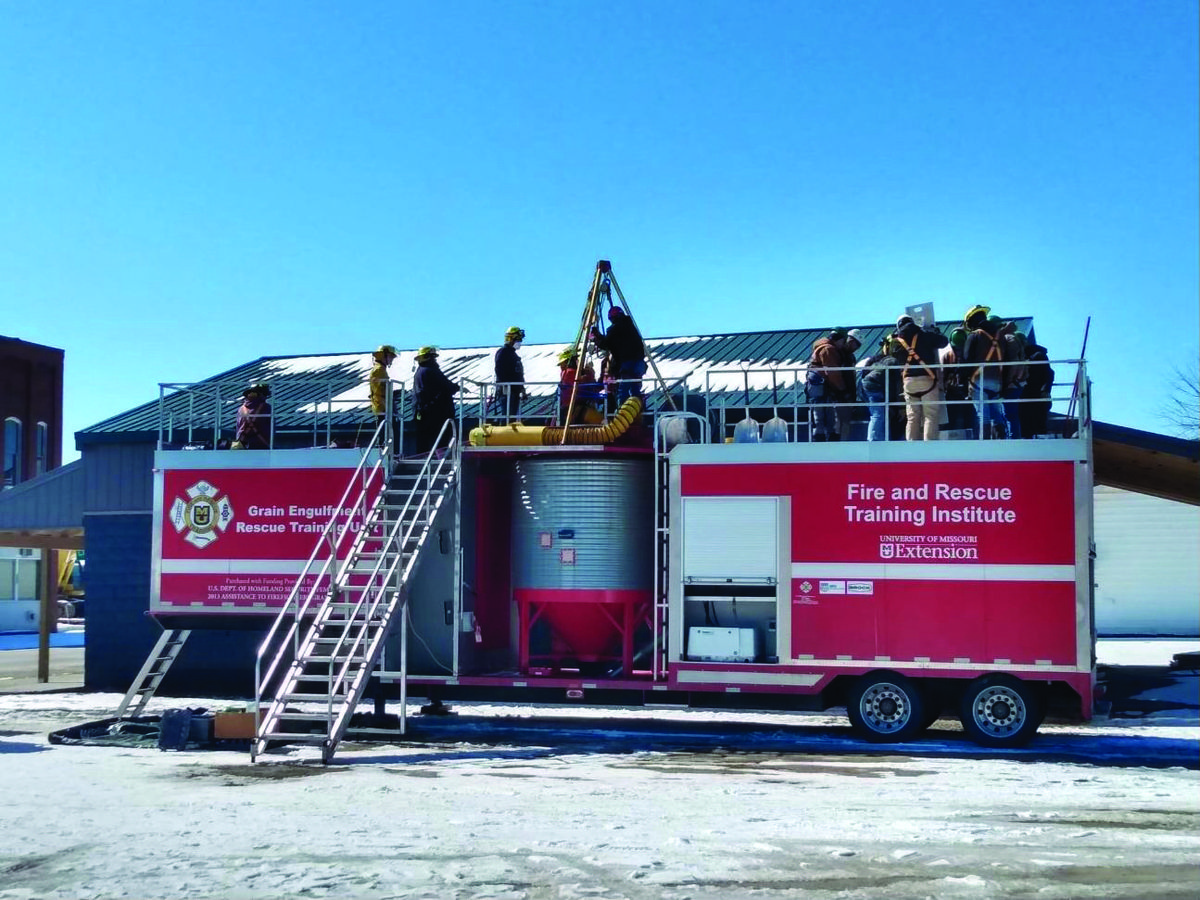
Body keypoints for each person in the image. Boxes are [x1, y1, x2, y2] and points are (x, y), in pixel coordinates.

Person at [894, 315, 949, 441]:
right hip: (927, 379)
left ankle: (912, 444)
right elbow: (944, 342)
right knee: (930, 415)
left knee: (913, 416)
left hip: (908, 382)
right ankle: (929, 445)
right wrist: (933, 332)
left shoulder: (896, 342)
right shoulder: (925, 336)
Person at [963, 305, 1008, 439]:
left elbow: (967, 359)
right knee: (996, 413)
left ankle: (985, 444)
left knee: (983, 415)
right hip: (997, 381)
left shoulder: (975, 335)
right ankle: (1002, 439)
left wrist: (963, 380)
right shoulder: (1001, 337)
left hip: (979, 380)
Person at [590, 306, 647, 406]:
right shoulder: (630, 326)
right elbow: (612, 341)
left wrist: (595, 338)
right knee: (635, 388)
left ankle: (621, 411)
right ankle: (638, 408)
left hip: (627, 362)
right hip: (639, 362)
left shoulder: (615, 329)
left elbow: (606, 344)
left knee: (623, 390)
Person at [805, 329, 850, 441]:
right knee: (824, 411)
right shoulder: (828, 349)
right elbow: (832, 371)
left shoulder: (821, 347)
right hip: (822, 383)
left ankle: (821, 433)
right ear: (840, 339)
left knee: (820, 409)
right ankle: (825, 434)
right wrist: (842, 389)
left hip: (815, 384)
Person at [413, 346, 459, 454]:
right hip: (436, 412)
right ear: (429, 357)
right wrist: (457, 387)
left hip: (421, 411)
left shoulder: (419, 372)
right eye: (433, 357)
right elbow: (446, 386)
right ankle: (440, 458)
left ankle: (422, 457)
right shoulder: (431, 371)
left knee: (423, 438)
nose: (434, 360)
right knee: (442, 436)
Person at [860, 337, 905, 441]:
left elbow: (864, 375)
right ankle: (874, 441)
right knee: (878, 414)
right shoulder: (893, 361)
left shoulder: (876, 359)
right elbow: (898, 386)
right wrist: (901, 407)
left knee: (879, 413)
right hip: (875, 387)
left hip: (866, 387)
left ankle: (879, 439)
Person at [940, 328, 974, 434]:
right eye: (956, 348)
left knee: (970, 420)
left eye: (961, 347)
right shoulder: (947, 356)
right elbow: (942, 376)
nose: (958, 351)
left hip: (968, 392)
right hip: (951, 394)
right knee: (950, 421)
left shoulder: (971, 356)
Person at [557, 347, 603, 424]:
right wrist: (590, 373)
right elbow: (582, 385)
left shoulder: (567, 373)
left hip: (575, 406)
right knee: (601, 421)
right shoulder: (569, 373)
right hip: (573, 407)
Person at [1020, 338, 1055, 438]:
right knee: (1038, 422)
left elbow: (1048, 374)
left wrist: (1045, 390)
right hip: (1037, 395)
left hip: (1032, 395)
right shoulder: (1039, 356)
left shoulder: (1036, 356)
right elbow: (1050, 374)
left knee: (1030, 421)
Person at [837, 329, 865, 440]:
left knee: (845, 421)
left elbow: (851, 377)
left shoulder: (851, 357)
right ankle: (836, 444)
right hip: (838, 394)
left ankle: (842, 444)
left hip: (848, 394)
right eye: (855, 343)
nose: (855, 347)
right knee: (837, 421)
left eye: (858, 345)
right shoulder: (838, 353)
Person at [494, 326, 526, 421]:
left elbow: (518, 374)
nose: (519, 342)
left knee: (512, 417)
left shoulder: (514, 355)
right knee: (507, 417)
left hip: (515, 390)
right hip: (507, 391)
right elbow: (499, 370)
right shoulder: (503, 352)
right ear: (511, 339)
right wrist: (506, 386)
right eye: (517, 339)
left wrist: (522, 388)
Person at [1002, 328, 1028, 440]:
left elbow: (1013, 368)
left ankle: (1013, 437)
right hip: (1018, 385)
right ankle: (1013, 436)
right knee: (1012, 414)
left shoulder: (1015, 355)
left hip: (1013, 385)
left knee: (1009, 414)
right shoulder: (1023, 355)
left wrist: (1007, 382)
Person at [369, 344, 398, 441]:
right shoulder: (379, 370)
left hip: (384, 407)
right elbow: (379, 390)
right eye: (390, 357)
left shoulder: (381, 369)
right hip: (383, 408)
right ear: (383, 356)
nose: (392, 360)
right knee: (387, 434)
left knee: (388, 433)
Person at [234, 384, 272, 449]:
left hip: (241, 444)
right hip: (260, 443)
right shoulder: (266, 407)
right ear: (261, 395)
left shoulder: (241, 409)